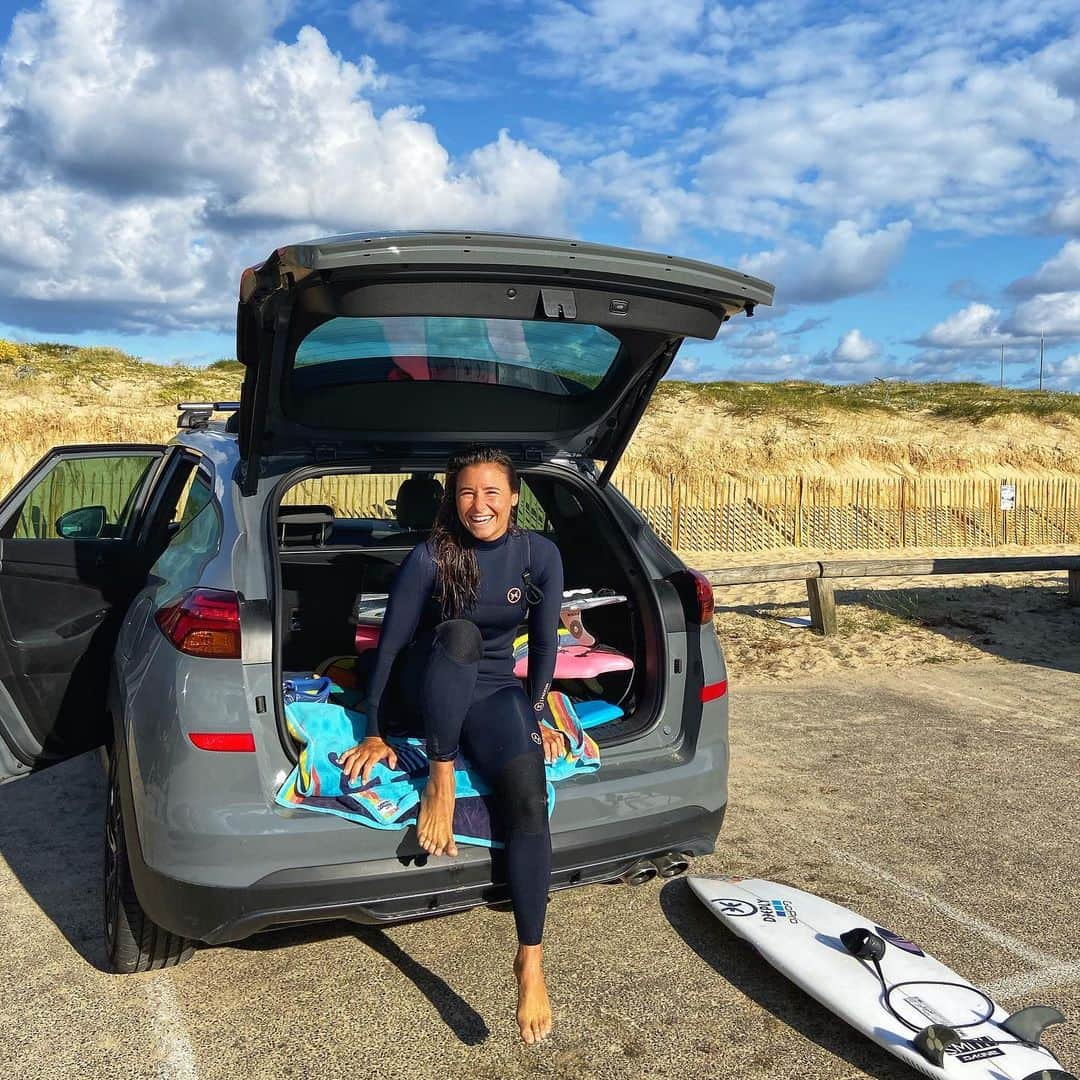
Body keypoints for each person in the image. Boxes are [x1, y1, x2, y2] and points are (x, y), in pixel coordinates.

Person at [338, 446, 565, 1044]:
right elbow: (388, 649)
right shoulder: (430, 556)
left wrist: (537, 710)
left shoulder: (538, 555)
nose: (479, 504)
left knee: (527, 802)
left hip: (490, 691)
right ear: (451, 499)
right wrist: (375, 728)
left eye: (492, 492)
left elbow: (542, 647)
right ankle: (440, 776)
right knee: (459, 634)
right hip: (428, 681)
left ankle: (531, 958)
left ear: (515, 497)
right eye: (467, 492)